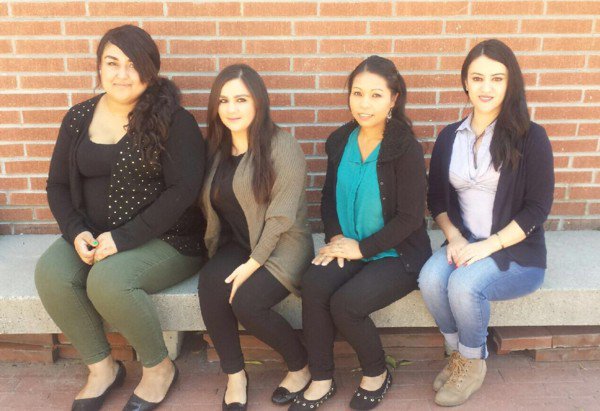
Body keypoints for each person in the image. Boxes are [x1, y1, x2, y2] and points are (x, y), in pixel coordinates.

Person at [34, 25, 206, 411]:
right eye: (112, 63)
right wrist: (76, 231)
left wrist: (123, 239)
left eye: (134, 65)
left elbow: (183, 193)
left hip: (169, 239)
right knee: (52, 273)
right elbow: (57, 185)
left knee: (108, 281)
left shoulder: (175, 122)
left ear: (151, 71)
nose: (122, 74)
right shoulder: (78, 118)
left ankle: (159, 368)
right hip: (95, 233)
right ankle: (102, 368)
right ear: (99, 66)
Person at [418, 39, 555, 407]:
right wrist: (455, 238)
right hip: (465, 241)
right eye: (477, 78)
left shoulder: (531, 137)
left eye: (497, 78)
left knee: (464, 285)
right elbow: (438, 200)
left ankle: (473, 362)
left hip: (515, 253)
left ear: (510, 83)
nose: (486, 87)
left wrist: (486, 246)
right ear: (465, 82)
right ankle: (458, 353)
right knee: (430, 279)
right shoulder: (450, 136)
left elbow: (537, 208)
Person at [294, 55, 432, 411]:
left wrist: (362, 248)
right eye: (357, 93)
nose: (364, 103)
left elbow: (410, 218)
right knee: (313, 284)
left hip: (397, 253)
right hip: (348, 245)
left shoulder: (405, 149)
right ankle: (322, 377)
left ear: (394, 99)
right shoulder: (340, 140)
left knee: (347, 304)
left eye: (375, 95)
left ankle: (376, 373)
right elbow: (327, 197)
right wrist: (336, 239)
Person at [197, 64, 314, 411]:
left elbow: (280, 219)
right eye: (224, 101)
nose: (231, 109)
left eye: (241, 99)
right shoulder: (218, 149)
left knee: (247, 302)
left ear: (258, 103)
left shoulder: (283, 146)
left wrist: (252, 265)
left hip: (284, 245)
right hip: (240, 242)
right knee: (210, 285)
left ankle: (300, 365)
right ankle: (235, 375)